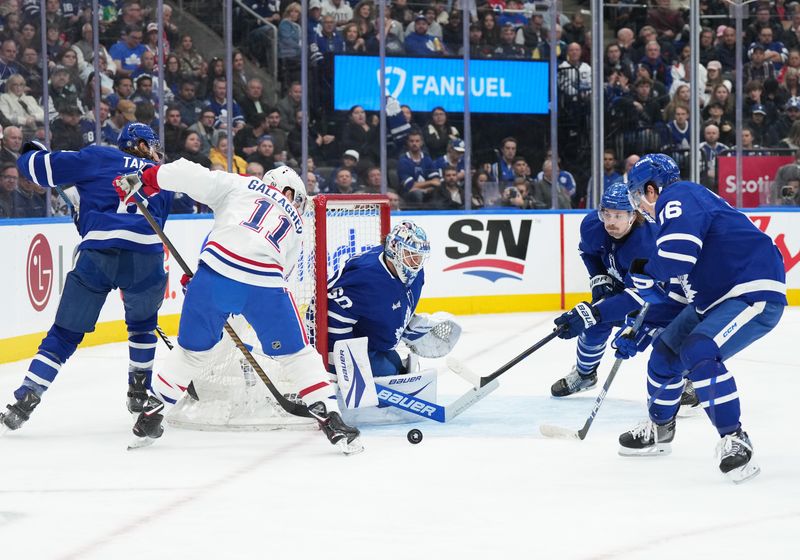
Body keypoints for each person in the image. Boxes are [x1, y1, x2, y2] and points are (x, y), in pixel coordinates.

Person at [115, 164, 362, 454]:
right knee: (297, 355)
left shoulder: (242, 185)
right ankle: (331, 418)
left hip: (213, 275)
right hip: (265, 282)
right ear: (289, 192)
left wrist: (148, 178)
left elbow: (190, 175)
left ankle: (151, 415)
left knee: (191, 353)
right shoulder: (295, 224)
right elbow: (284, 273)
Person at [618, 153, 786, 483]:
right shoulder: (680, 213)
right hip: (714, 299)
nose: (639, 206)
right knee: (665, 355)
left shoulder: (677, 196)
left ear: (652, 190)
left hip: (750, 290)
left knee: (698, 350)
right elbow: (679, 296)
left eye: (638, 196)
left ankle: (735, 438)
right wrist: (643, 325)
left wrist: (646, 269)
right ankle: (660, 430)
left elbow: (676, 258)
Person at [0, 123, 173, 434]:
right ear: (144, 145)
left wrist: (31, 150)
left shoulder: (97, 157)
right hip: (146, 257)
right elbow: (153, 219)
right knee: (143, 326)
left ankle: (28, 395)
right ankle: (138, 392)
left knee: (65, 333)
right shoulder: (164, 177)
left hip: (99, 254)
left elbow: (37, 171)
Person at [550, 182, 686, 398]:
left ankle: (687, 381)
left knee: (669, 340)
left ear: (633, 215)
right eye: (607, 214)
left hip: (666, 295)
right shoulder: (593, 225)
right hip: (629, 286)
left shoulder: (646, 243)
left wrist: (594, 313)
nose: (610, 222)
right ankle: (585, 375)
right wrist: (599, 278)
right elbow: (588, 253)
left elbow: (638, 296)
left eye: (618, 216)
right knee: (594, 326)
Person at [325, 220, 459, 423]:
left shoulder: (412, 272)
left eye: (419, 257)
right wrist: (343, 363)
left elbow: (391, 301)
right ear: (394, 251)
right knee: (389, 372)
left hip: (371, 338)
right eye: (411, 256)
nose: (416, 263)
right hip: (349, 341)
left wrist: (407, 326)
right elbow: (334, 313)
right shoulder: (367, 276)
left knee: (397, 365)